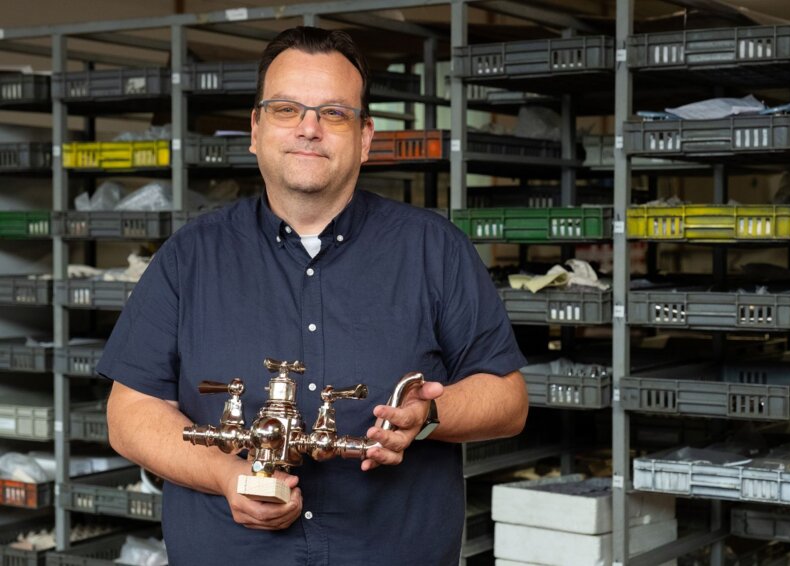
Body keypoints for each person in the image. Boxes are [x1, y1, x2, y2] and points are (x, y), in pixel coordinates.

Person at [100, 26, 528, 566]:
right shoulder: (190, 257)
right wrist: (228, 476)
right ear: (254, 129)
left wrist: (432, 413)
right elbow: (130, 412)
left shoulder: (434, 249)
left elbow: (508, 399)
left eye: (333, 113)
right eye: (285, 109)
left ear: (366, 136)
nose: (308, 128)